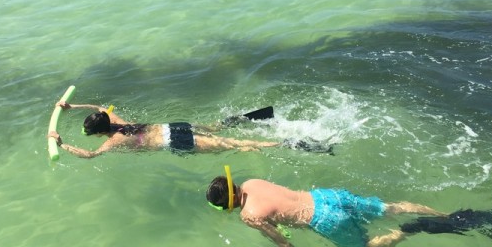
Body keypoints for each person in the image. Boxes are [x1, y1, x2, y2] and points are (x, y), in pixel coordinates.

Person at [205, 170, 492, 247]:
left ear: (227, 204)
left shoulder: (249, 215)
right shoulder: (252, 182)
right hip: (327, 196)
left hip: (324, 220)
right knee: (390, 208)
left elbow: (283, 243)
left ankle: (410, 230)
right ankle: (449, 215)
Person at [48, 102, 333, 159]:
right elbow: (100, 105)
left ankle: (286, 144)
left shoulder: (114, 141)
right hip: (174, 126)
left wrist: (60, 144)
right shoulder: (117, 121)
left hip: (175, 142)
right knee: (219, 130)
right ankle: (250, 118)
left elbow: (89, 155)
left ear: (99, 133)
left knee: (235, 145)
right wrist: (72, 106)